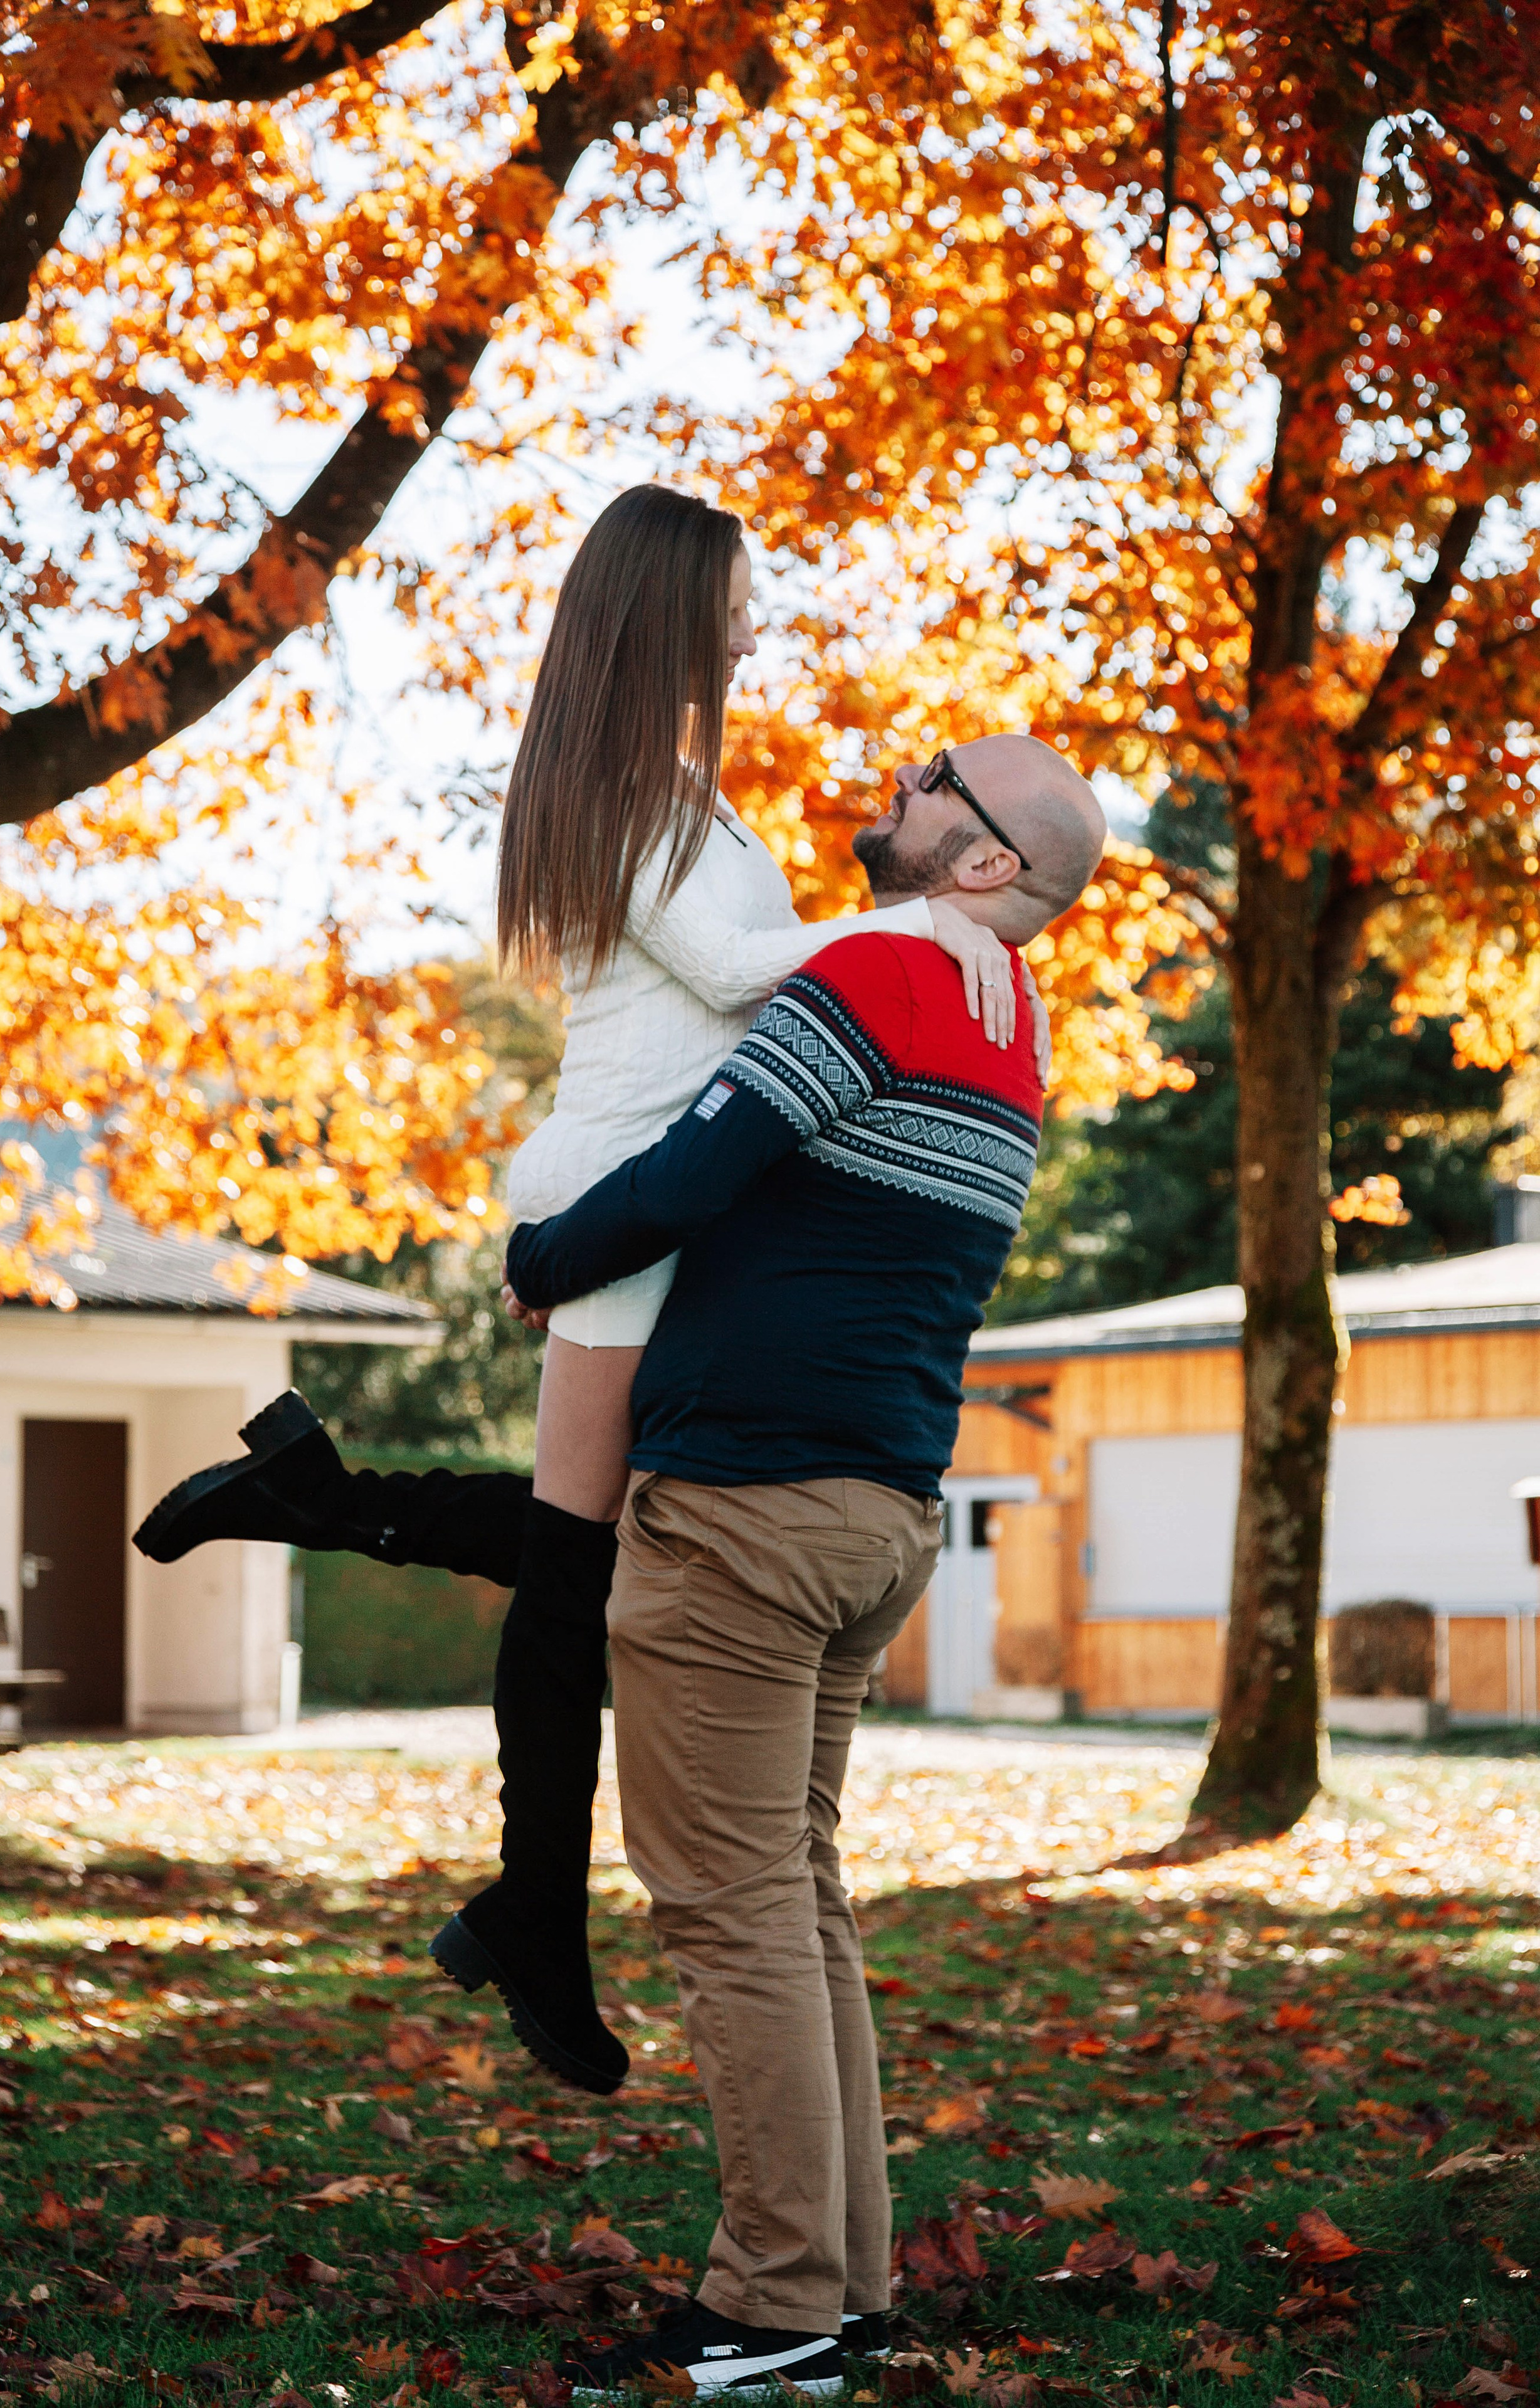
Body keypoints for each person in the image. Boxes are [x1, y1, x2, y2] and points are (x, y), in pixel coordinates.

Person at [132, 485, 1047, 2099]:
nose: (764, 621)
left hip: (652, 1196)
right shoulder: (624, 784)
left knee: (601, 1544)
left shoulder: (674, 787)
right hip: (624, 1193)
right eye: (746, 595)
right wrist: (928, 915)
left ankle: (327, 1513)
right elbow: (741, 974)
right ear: (677, 607)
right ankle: (531, 1911)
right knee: (578, 1569)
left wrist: (919, 920)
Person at [493, 732, 1106, 2400]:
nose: (894, 786)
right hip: (879, 1511)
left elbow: (697, 1169)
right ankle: (839, 2284)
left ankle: (773, 2311)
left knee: (729, 1907)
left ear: (986, 865)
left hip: (752, 1508)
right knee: (798, 1897)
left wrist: (539, 1260)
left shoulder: (880, 975)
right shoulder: (1010, 1024)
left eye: (933, 782)